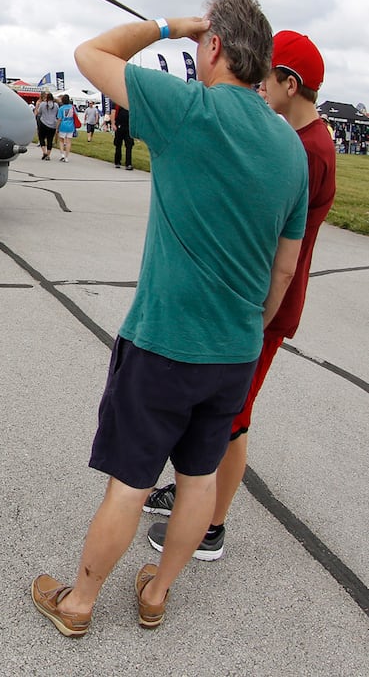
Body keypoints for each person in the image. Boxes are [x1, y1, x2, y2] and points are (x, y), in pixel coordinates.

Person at [31, 0, 306, 638]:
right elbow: (285, 268)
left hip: (165, 341)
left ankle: (79, 602)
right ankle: (155, 594)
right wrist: (251, 326)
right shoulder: (290, 149)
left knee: (130, 481)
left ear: (214, 47)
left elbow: (90, 54)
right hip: (235, 347)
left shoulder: (189, 110)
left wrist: (168, 27)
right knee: (198, 479)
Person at [143, 30, 337, 562]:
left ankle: (210, 525)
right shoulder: (296, 142)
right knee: (220, 411)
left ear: (289, 84)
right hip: (253, 298)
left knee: (231, 419)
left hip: (266, 307)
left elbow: (279, 247)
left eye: (268, 76)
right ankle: (191, 494)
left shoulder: (310, 150)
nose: (259, 84)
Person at [35, 91, 58, 161]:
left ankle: (44, 152)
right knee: (50, 140)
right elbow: (57, 114)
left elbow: (39, 112)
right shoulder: (56, 105)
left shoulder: (42, 104)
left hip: (43, 123)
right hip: (53, 125)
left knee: (41, 138)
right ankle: (48, 155)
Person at [55, 92, 77, 162]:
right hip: (70, 126)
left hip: (63, 125)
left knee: (61, 140)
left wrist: (57, 127)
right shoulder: (72, 107)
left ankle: (62, 154)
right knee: (69, 142)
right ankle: (67, 156)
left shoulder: (61, 108)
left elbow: (59, 119)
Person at [112, 102, 134, 170]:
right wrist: (113, 124)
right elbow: (113, 112)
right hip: (119, 126)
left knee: (129, 145)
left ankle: (128, 163)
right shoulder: (117, 102)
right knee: (118, 144)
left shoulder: (131, 102)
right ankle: (117, 162)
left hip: (128, 127)